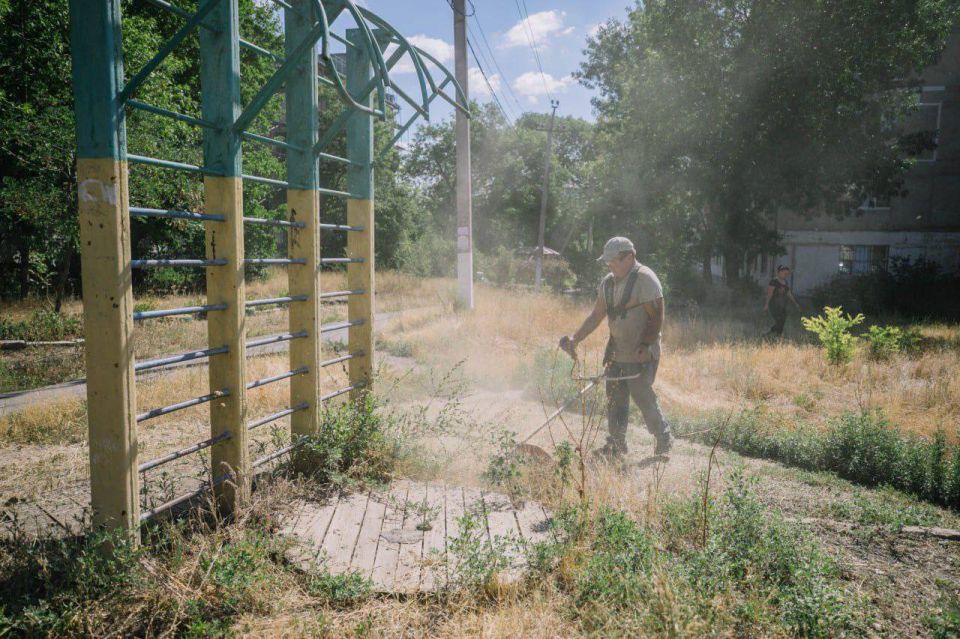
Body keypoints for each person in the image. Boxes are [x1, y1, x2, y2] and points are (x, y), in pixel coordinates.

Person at [563, 237, 673, 459]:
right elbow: (596, 315)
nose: (609, 265)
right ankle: (616, 444)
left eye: (614, 261)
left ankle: (663, 437)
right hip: (616, 351)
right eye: (607, 262)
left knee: (642, 395)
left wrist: (644, 345)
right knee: (615, 399)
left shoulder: (646, 279)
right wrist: (575, 339)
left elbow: (657, 317)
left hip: (642, 352)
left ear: (629, 257)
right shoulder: (608, 283)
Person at [763, 265, 801, 337]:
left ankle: (773, 333)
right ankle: (776, 334)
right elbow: (769, 293)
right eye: (784, 273)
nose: (786, 275)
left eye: (787, 274)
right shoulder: (773, 281)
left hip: (782, 305)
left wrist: (795, 303)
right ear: (779, 272)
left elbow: (788, 293)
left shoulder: (785, 282)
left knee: (782, 320)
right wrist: (766, 304)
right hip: (773, 305)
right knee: (779, 320)